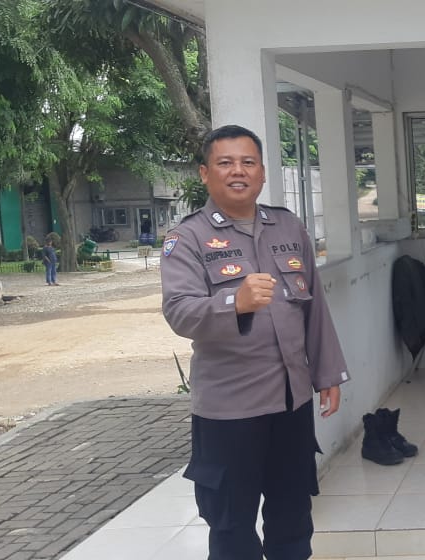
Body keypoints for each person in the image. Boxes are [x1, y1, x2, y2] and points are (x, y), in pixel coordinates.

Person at [161, 125, 349, 560]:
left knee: (293, 518)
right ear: (205, 173)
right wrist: (235, 303)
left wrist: (327, 373)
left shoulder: (288, 226)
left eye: (248, 162)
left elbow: (314, 309)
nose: (238, 171)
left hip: (290, 404)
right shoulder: (187, 238)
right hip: (229, 410)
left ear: (262, 173)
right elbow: (179, 311)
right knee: (232, 527)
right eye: (225, 163)